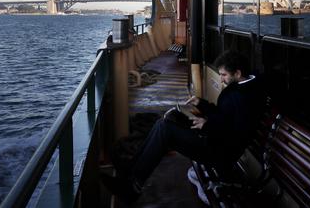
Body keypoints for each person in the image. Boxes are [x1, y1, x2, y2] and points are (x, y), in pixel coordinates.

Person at [102, 50, 265, 204]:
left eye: (223, 75)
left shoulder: (248, 98)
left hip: (220, 151)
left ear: (237, 73)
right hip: (213, 137)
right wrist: (201, 104)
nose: (221, 79)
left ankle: (132, 188)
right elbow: (222, 115)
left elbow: (236, 134)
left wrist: (208, 125)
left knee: (166, 130)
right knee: (164, 121)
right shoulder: (239, 86)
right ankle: (130, 169)